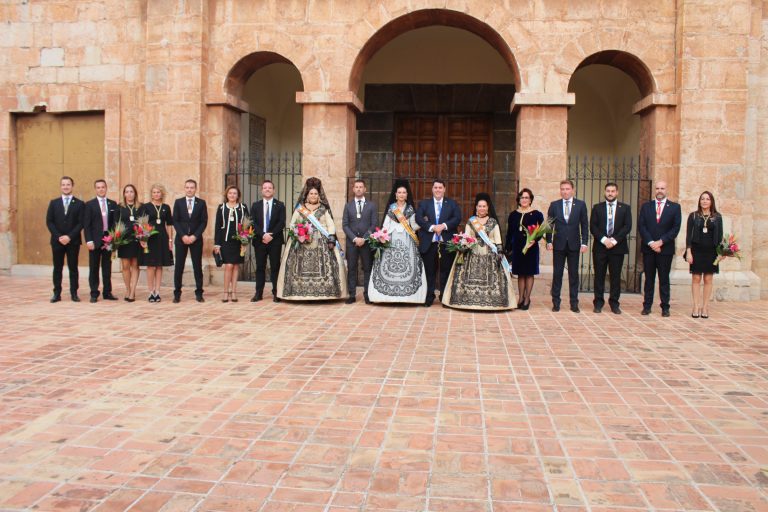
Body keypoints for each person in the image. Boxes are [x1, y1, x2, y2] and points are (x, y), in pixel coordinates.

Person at [276, 177, 348, 301]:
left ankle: (326, 292)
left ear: (319, 196)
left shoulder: (323, 209)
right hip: (302, 240)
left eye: (315, 193)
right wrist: (299, 233)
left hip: (322, 241)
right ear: (307, 195)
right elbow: (292, 224)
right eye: (311, 193)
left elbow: (330, 225)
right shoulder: (300, 209)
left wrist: (331, 237)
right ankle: (298, 292)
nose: (313, 195)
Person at [442, 193, 516, 310]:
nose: (482, 208)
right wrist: (463, 245)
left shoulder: (493, 222)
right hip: (473, 253)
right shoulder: (471, 221)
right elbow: (467, 236)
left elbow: (497, 238)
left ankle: (493, 302)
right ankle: (466, 301)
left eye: (484, 206)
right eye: (479, 206)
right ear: (476, 207)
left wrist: (500, 252)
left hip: (490, 253)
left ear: (487, 208)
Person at [368, 179, 427, 304]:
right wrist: (380, 235)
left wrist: (424, 222)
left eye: (404, 192)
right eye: (399, 192)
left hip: (407, 239)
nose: (401, 194)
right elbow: (385, 225)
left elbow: (413, 226)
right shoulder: (392, 208)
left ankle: (408, 297)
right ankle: (386, 297)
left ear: (407, 195)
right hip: (391, 239)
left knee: (408, 264)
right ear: (395, 194)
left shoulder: (410, 209)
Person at [638, 180, 682, 317]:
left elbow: (675, 228)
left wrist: (661, 242)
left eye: (662, 188)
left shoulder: (675, 207)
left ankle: (665, 307)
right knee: (649, 279)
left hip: (665, 250)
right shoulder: (646, 206)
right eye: (657, 188)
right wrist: (651, 242)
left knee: (664, 279)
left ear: (666, 189)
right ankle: (647, 306)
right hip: (648, 249)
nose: (659, 191)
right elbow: (642, 226)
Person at [416, 179, 461, 307]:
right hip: (429, 243)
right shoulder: (424, 204)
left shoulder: (452, 204)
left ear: (444, 189)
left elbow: (457, 218)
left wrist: (444, 226)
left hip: (446, 242)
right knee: (429, 271)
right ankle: (429, 296)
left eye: (440, 187)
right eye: (435, 187)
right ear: (432, 189)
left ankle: (444, 297)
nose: (438, 190)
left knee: (445, 271)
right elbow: (418, 218)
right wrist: (432, 227)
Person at [546, 179, 589, 313]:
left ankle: (574, 303)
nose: (564, 191)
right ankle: (556, 302)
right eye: (562, 189)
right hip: (558, 244)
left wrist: (584, 242)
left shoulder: (580, 205)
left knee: (573, 274)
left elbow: (585, 225)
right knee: (557, 274)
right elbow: (549, 224)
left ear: (572, 190)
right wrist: (549, 241)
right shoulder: (554, 205)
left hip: (574, 244)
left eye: (567, 189)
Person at [590, 182, 632, 314]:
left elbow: (627, 226)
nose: (610, 193)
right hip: (600, 248)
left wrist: (613, 241)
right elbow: (593, 226)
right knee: (599, 276)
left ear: (617, 192)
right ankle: (598, 303)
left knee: (615, 277)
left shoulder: (625, 208)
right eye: (608, 191)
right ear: (604, 192)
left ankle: (614, 303)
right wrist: (604, 240)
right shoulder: (597, 208)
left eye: (613, 191)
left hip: (617, 248)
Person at [684, 191, 723, 319]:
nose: (705, 201)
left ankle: (705, 306)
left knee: (708, 279)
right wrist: (688, 252)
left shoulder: (717, 217)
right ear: (699, 201)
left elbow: (720, 237)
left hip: (711, 252)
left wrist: (721, 253)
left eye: (707, 199)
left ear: (711, 201)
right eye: (702, 199)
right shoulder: (693, 216)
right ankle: (695, 306)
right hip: (696, 251)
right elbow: (688, 236)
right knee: (696, 278)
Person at [46, 176, 84, 302]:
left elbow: (80, 223)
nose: (66, 187)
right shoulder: (54, 203)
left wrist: (69, 236)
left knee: (73, 268)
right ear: (60, 186)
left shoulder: (79, 204)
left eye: (68, 184)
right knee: (57, 268)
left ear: (72, 186)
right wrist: (59, 236)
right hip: (57, 241)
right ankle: (57, 293)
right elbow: (49, 222)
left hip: (73, 241)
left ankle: (74, 293)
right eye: (63, 184)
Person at [506, 188, 544, 310]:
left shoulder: (537, 214)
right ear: (519, 199)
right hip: (518, 247)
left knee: (529, 273)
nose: (524, 200)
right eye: (522, 197)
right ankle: (521, 298)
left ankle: (527, 298)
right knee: (520, 273)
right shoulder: (513, 214)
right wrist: (507, 248)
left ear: (530, 199)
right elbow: (510, 232)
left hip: (531, 247)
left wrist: (535, 240)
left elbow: (541, 231)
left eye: (527, 197)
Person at [172, 179, 208, 303]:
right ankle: (177, 293)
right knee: (179, 267)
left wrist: (194, 236)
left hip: (196, 240)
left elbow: (204, 222)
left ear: (195, 189)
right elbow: (175, 221)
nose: (189, 189)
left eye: (192, 187)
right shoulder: (178, 202)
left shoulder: (201, 203)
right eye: (187, 187)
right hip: (181, 239)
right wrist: (183, 236)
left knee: (197, 266)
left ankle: (199, 292)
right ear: (184, 188)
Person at [342, 179, 377, 304]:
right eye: (356, 187)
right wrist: (355, 239)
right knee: (352, 268)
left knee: (367, 268)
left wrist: (364, 238)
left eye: (361, 187)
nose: (358, 189)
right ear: (353, 189)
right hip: (352, 243)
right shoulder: (348, 205)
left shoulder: (372, 205)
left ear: (365, 189)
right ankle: (351, 295)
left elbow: (374, 224)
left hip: (366, 243)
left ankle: (367, 294)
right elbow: (345, 225)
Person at [83, 179, 118, 303]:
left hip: (108, 240)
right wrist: (89, 241)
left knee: (107, 267)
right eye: (98, 187)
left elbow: (115, 223)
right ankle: (94, 293)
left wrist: (114, 239)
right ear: (95, 189)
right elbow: (86, 225)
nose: (101, 189)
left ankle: (107, 292)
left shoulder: (112, 204)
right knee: (94, 267)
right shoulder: (89, 204)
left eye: (103, 187)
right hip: (95, 240)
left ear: (106, 188)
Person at [250, 180, 286, 303]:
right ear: (262, 190)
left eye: (270, 187)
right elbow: (252, 222)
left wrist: (271, 235)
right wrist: (263, 234)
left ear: (273, 190)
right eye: (265, 187)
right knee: (260, 267)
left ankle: (276, 293)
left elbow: (282, 222)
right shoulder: (255, 205)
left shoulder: (280, 205)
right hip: (260, 241)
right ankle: (258, 293)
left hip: (275, 241)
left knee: (275, 267)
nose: (267, 189)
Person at [138, 184, 174, 302]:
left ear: (162, 193)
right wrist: (143, 239)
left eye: (158, 192)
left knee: (159, 265)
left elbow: (169, 225)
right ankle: (150, 292)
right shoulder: (146, 207)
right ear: (151, 194)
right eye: (154, 192)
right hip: (150, 238)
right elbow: (142, 223)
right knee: (150, 265)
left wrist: (170, 239)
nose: (156, 194)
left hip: (162, 238)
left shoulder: (166, 207)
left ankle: (157, 291)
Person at [214, 185, 248, 303]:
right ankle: (225, 291)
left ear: (238, 195)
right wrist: (217, 244)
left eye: (234, 193)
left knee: (236, 266)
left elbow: (247, 225)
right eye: (230, 193)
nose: (232, 195)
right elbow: (218, 226)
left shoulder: (243, 207)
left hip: (239, 241)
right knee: (228, 265)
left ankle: (233, 292)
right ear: (226, 195)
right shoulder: (221, 208)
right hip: (225, 241)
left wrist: (245, 241)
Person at [117, 184, 141, 302]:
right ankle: (127, 289)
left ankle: (133, 292)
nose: (129, 194)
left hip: (136, 240)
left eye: (132, 191)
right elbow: (116, 223)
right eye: (127, 192)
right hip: (124, 240)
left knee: (135, 266)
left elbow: (144, 222)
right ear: (124, 194)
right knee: (126, 266)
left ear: (135, 193)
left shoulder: (140, 207)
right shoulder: (120, 207)